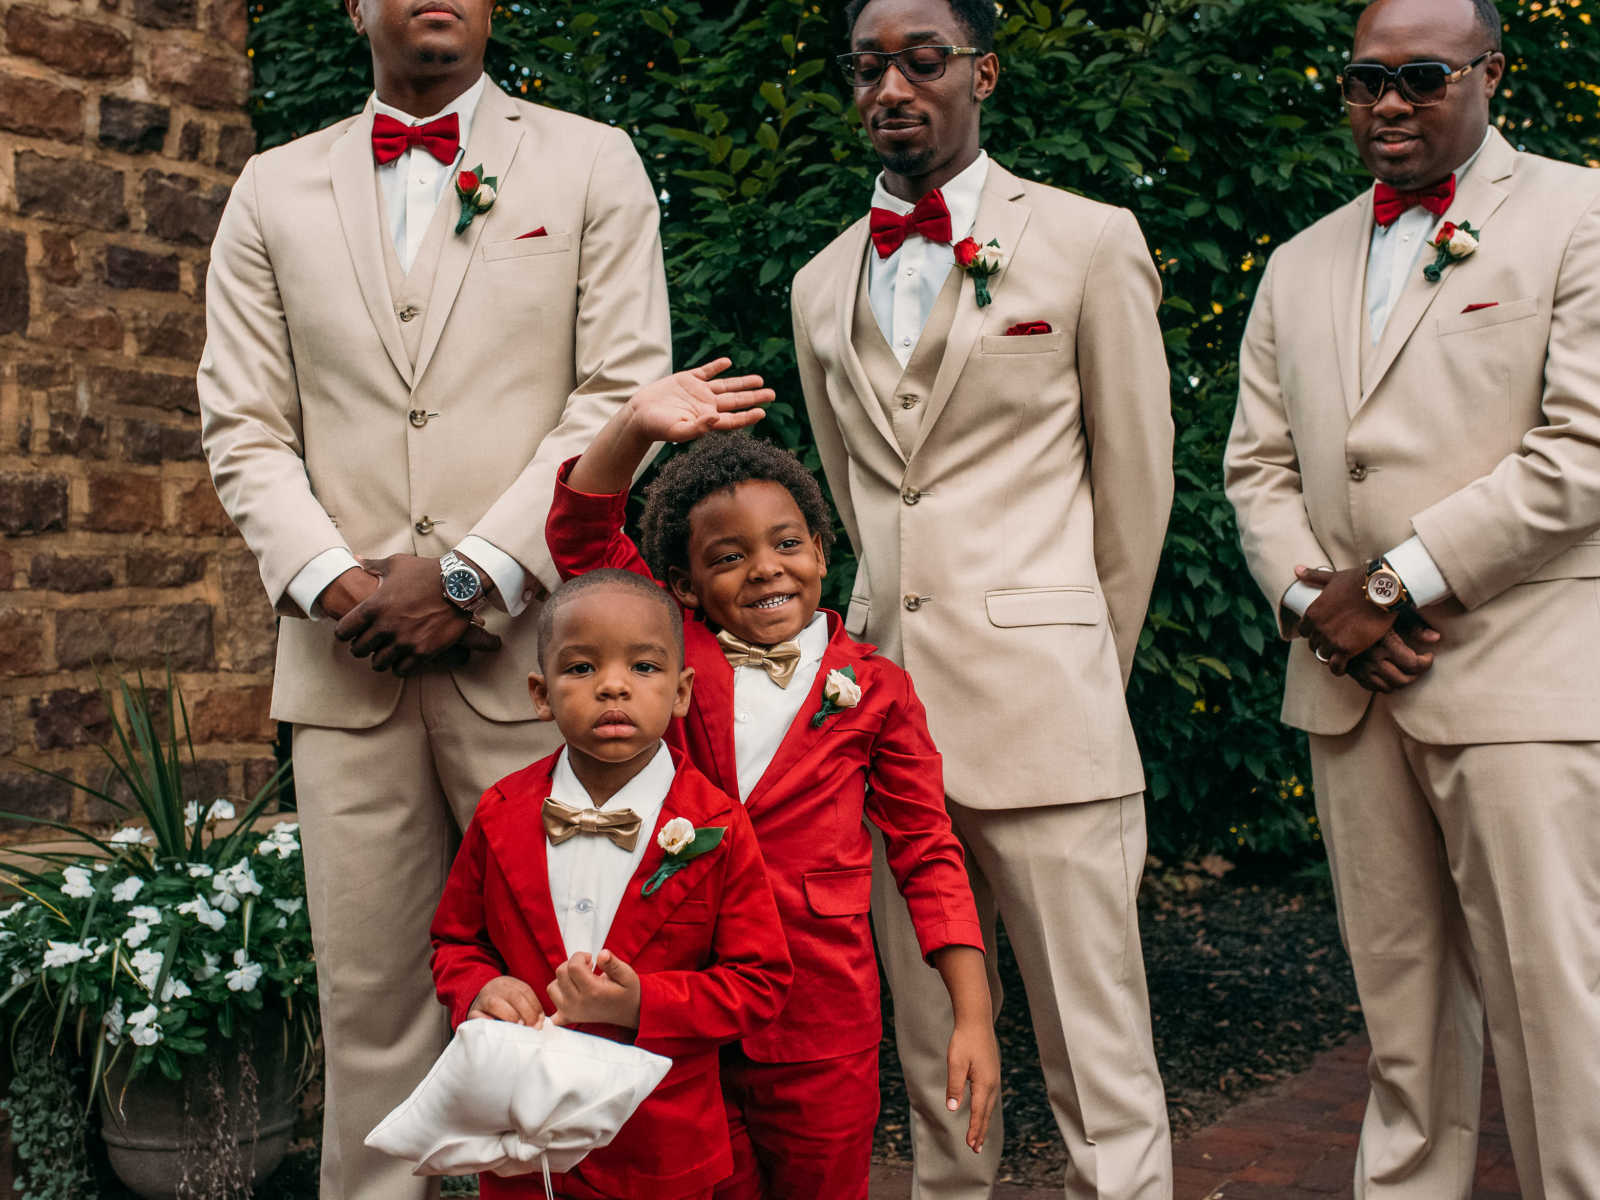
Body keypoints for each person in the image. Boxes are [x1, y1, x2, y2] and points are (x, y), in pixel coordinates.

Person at [194, 0, 671, 1191]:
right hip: (344, 668)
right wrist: (346, 588)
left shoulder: (590, 160)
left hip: (534, 668)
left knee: (577, 1004)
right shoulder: (270, 189)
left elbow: (620, 389)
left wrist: (466, 577)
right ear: (354, 4)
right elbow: (244, 425)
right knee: (370, 1021)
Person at [789, 0, 1176, 1195]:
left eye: (922, 60)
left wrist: (1076, 667)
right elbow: (860, 509)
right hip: (886, 733)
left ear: (983, 72)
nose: (891, 87)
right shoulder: (818, 284)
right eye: (868, 68)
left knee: (1096, 1067)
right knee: (934, 1068)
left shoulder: (1085, 240)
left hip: (1050, 716)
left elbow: (1137, 490)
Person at [1224, 0, 1600, 1193]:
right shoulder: (1297, 263)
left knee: (1557, 1019)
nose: (1386, 103)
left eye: (1421, 77)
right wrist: (1311, 605)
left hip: (1519, 683)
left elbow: (1582, 448)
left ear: (1493, 70)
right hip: (1350, 689)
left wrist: (1388, 585)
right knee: (1401, 1027)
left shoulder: (1578, 215)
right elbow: (1256, 467)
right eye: (1362, 81)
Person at [543, 361, 999, 1200]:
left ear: (822, 551)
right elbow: (579, 539)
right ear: (682, 584)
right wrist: (634, 426)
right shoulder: (673, 650)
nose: (765, 568)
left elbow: (928, 852)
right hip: (679, 1007)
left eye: (788, 543)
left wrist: (972, 1015)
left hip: (821, 1020)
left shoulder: (877, 688)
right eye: (729, 556)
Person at [429, 569, 792, 1200]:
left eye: (645, 667)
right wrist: (481, 987)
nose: (614, 685)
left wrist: (639, 1004)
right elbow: (456, 942)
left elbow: (760, 983)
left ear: (681, 694)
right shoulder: (499, 812)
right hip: (525, 1142)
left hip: (660, 1147)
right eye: (581, 668)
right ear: (541, 695)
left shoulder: (719, 826)